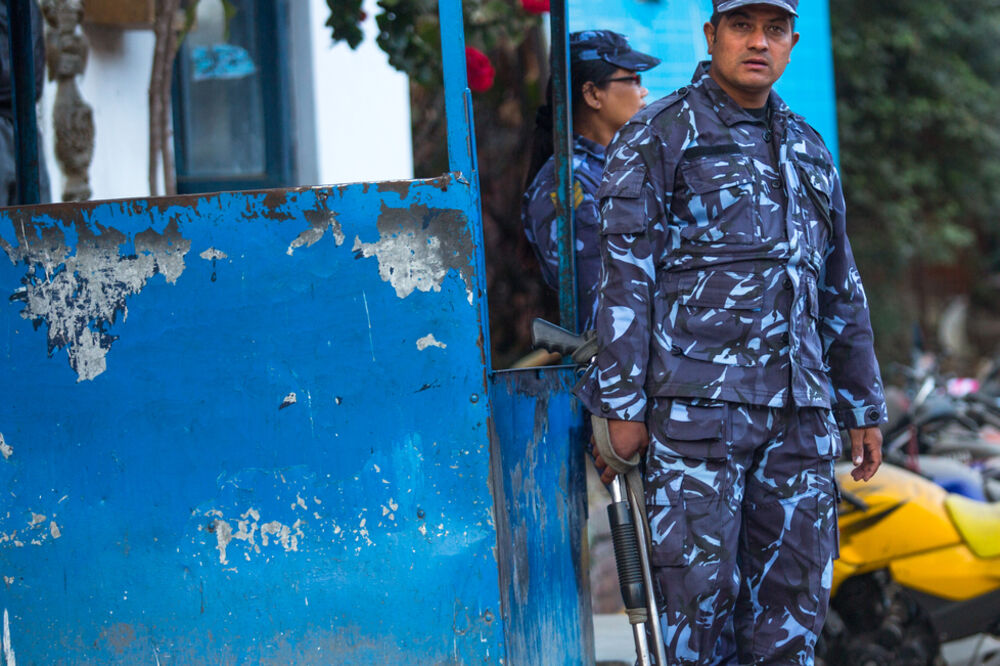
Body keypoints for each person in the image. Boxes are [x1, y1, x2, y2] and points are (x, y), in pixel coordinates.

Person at [577, 1, 886, 663]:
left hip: (800, 422)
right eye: (742, 26)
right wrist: (621, 407)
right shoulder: (661, 133)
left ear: (792, 43)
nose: (758, 43)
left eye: (774, 30)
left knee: (793, 616)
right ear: (712, 34)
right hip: (698, 422)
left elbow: (839, 283)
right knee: (698, 619)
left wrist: (862, 405)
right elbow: (625, 274)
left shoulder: (809, 146)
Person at [522, 30, 659, 332]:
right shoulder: (570, 184)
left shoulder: (616, 168)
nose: (643, 91)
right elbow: (599, 309)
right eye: (633, 79)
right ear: (592, 94)